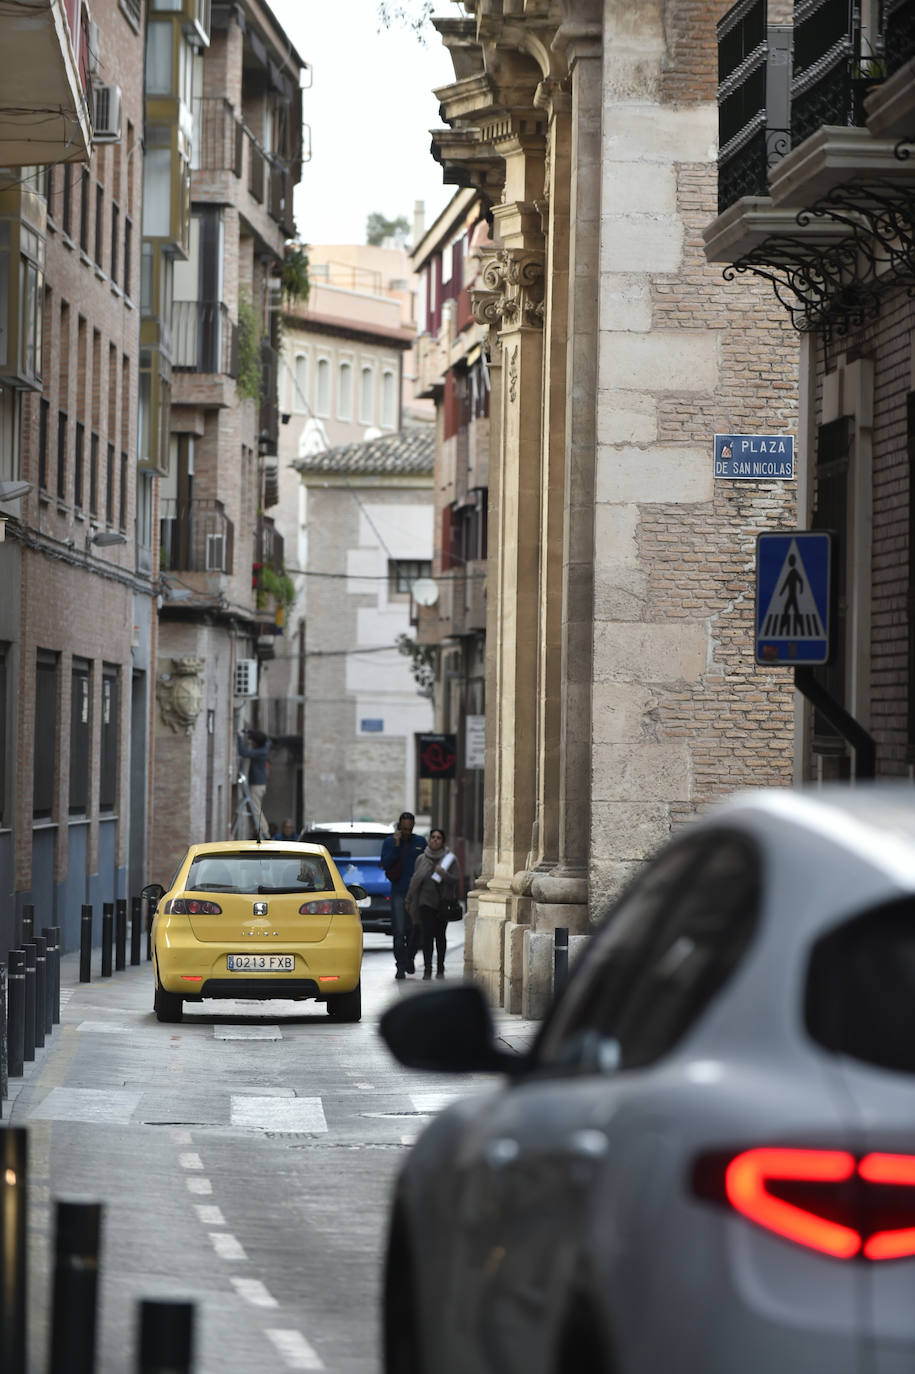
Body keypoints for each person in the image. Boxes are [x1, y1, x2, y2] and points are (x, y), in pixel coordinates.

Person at [405, 828, 461, 980]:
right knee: (427, 936)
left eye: (438, 838)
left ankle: (441, 966)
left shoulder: (450, 859)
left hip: (443, 904)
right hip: (425, 902)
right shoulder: (421, 859)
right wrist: (409, 900)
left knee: (440, 936)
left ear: (443, 841)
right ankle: (427, 968)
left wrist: (443, 873)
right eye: (433, 837)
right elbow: (415, 881)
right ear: (429, 840)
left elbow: (455, 880)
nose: (435, 840)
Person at [380, 812, 427, 981]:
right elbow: (385, 863)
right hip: (399, 892)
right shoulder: (389, 842)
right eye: (404, 828)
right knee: (399, 930)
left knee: (415, 929)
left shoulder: (420, 842)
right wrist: (396, 844)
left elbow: (427, 863)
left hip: (416, 893)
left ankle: (410, 958)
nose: (407, 831)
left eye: (410, 828)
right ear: (399, 826)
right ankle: (400, 965)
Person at [237, 728, 272, 838]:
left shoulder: (261, 752)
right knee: (256, 808)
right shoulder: (266, 744)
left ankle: (265, 833)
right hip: (260, 784)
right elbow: (267, 739)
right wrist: (249, 732)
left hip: (257, 785)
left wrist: (239, 737)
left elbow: (243, 752)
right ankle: (260, 830)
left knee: (256, 809)